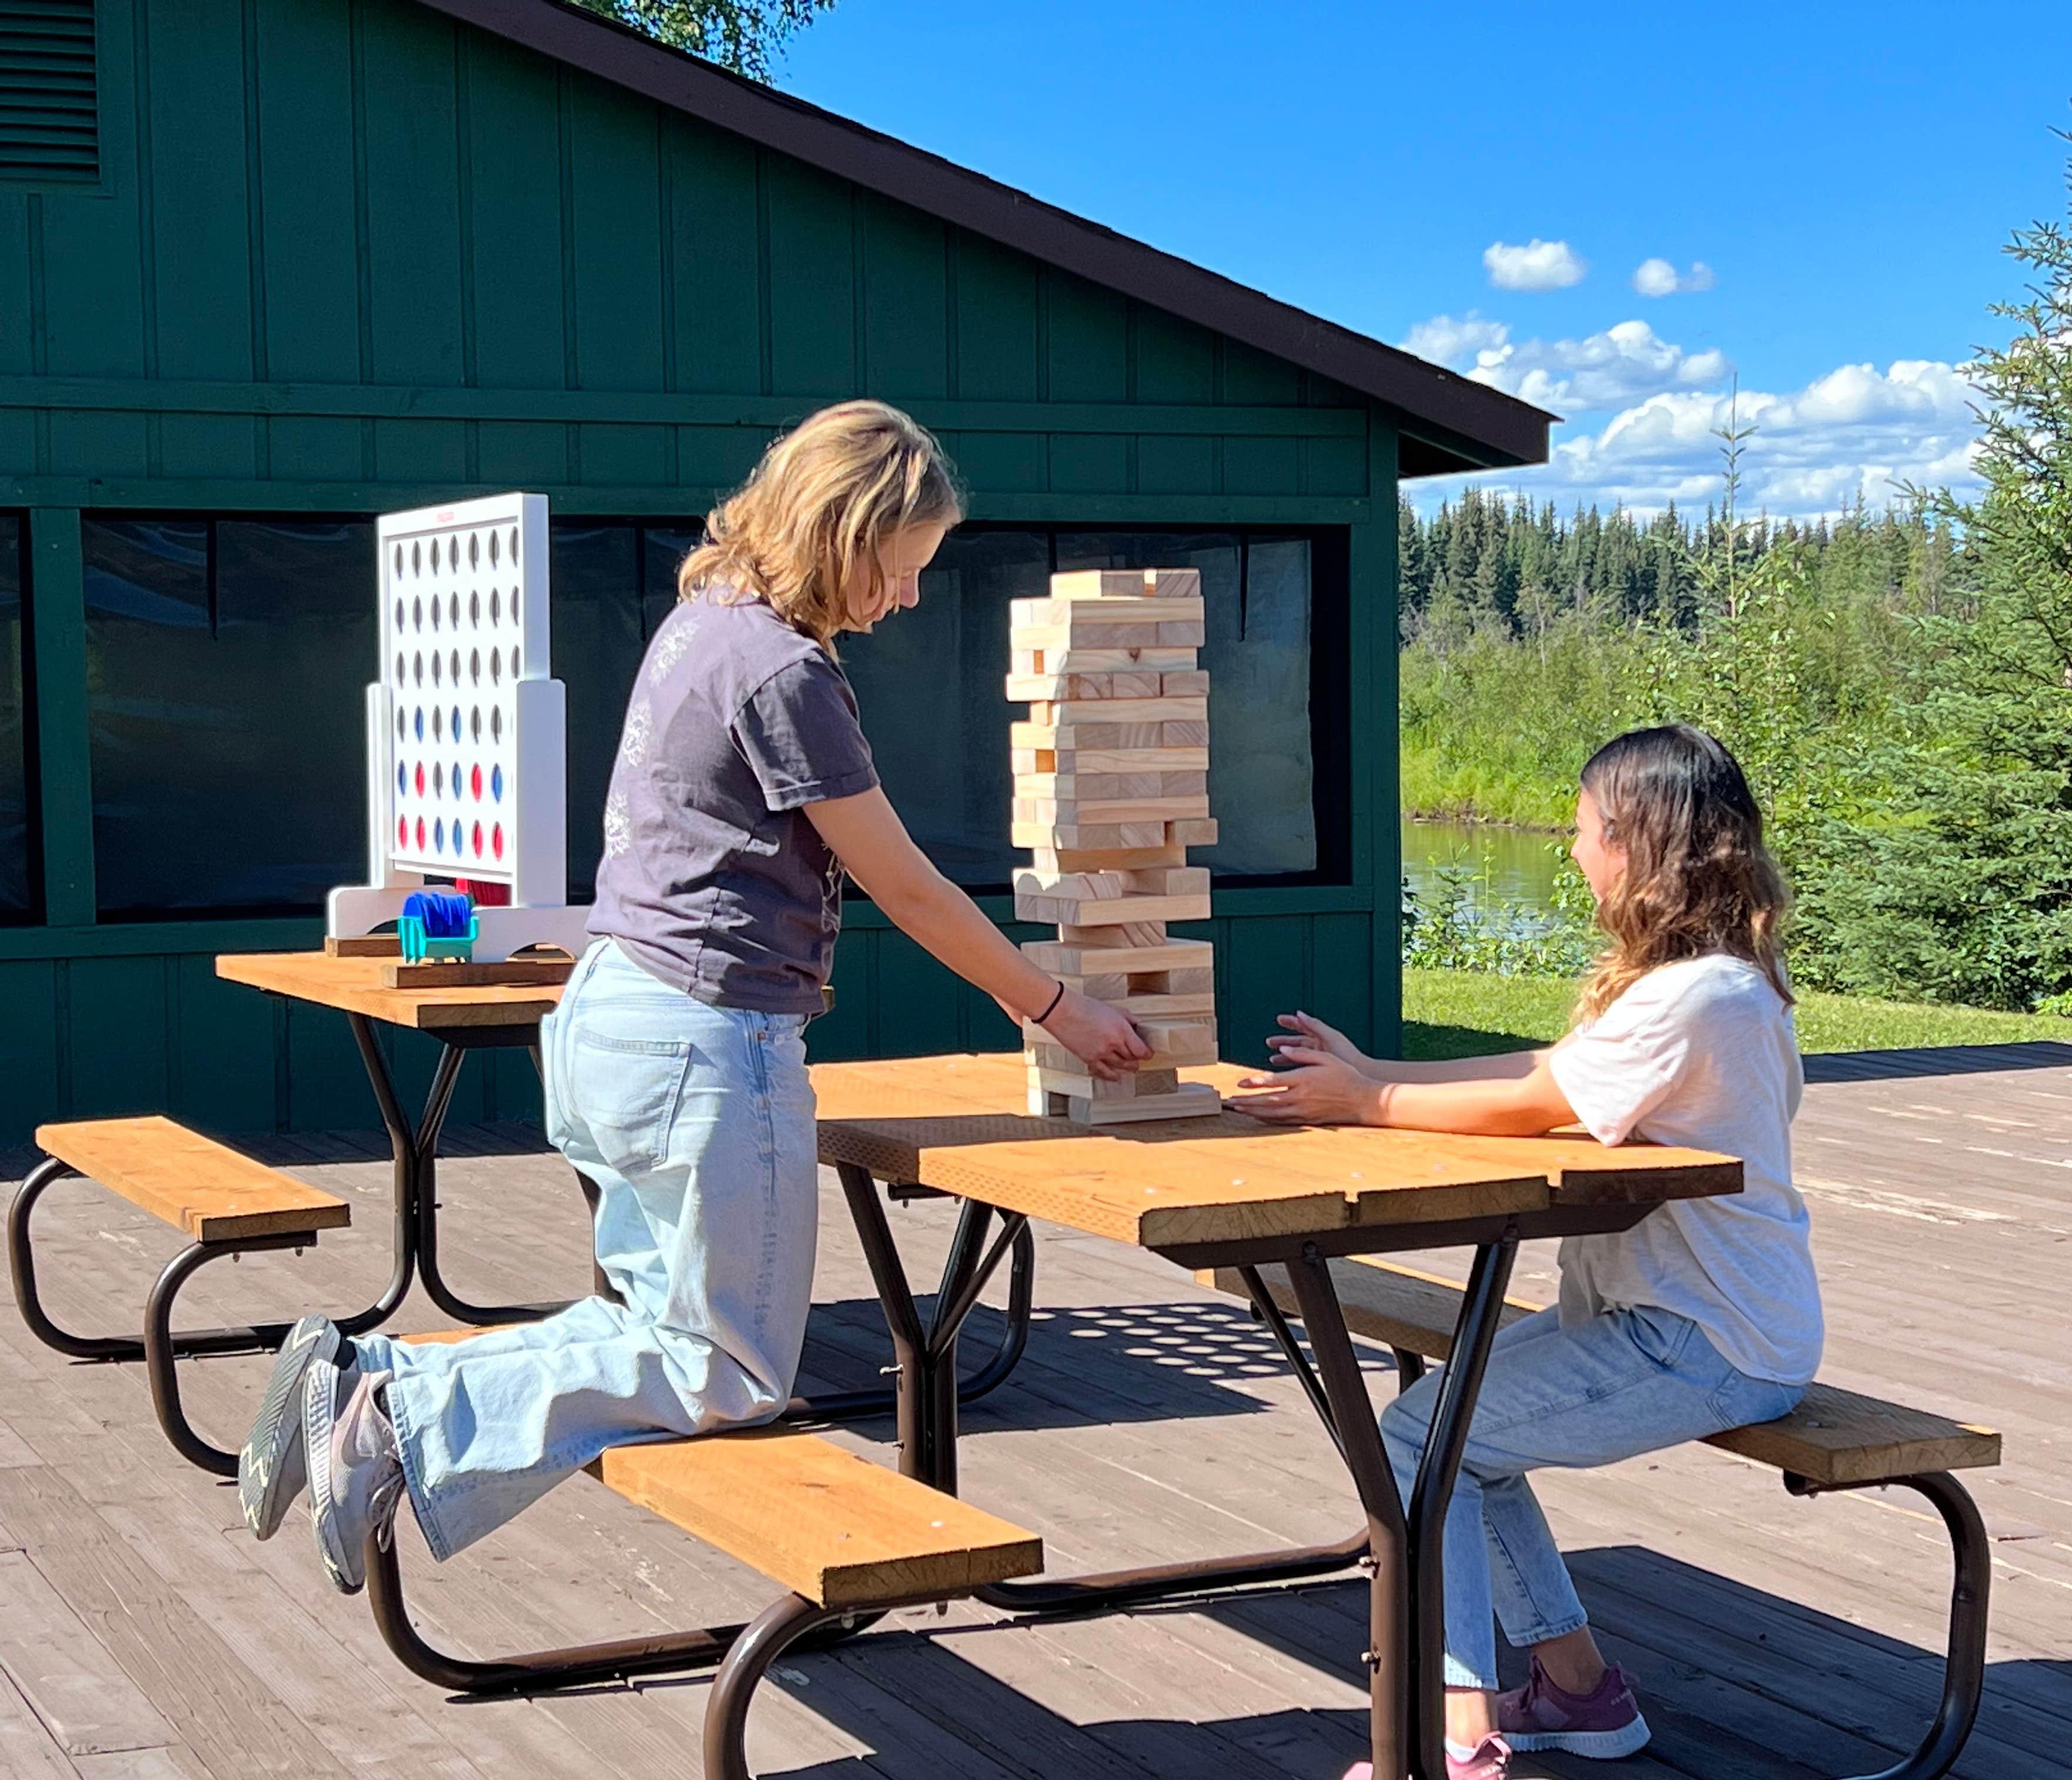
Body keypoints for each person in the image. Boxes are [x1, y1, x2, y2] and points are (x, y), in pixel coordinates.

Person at [238, 400, 1150, 1593]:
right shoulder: (784, 671)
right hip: (704, 1040)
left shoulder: (705, 621)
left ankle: (368, 1376)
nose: (911, 596)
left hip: (611, 1015)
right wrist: (1057, 1007)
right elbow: (909, 889)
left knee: (648, 1331)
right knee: (725, 1371)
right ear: (841, 531)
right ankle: (392, 1417)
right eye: (901, 565)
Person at [1233, 724, 1820, 1779]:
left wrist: (1368, 1100)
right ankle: (1579, 1693)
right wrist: (1376, 1073)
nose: (1575, 848)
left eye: (1586, 828)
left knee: (1425, 1440)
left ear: (1638, 844)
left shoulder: (1697, 997)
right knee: (1460, 1428)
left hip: (1703, 1340)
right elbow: (1549, 1073)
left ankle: (1456, 1741)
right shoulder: (1718, 981)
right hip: (1698, 1322)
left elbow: (1530, 1103)